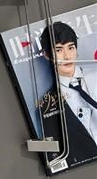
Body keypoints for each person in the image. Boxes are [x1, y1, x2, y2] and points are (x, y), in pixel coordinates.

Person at [39, 21, 97, 167]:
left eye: (71, 47)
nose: (67, 56)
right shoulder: (47, 103)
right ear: (47, 54)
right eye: (59, 50)